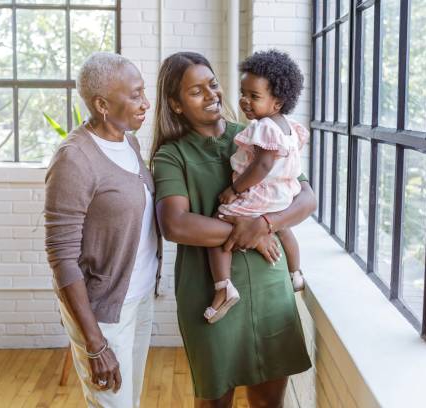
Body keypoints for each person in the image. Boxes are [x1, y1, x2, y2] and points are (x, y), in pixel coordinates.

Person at [150, 51, 315, 407]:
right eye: (196, 91)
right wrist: (250, 235)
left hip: (271, 289)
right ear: (175, 105)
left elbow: (306, 199)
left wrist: (266, 224)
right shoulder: (170, 156)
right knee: (215, 401)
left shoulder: (257, 136)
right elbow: (175, 224)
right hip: (211, 292)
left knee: (270, 400)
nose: (212, 95)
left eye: (213, 84)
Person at [44, 52, 161, 408]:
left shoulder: (129, 142)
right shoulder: (74, 159)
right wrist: (94, 343)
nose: (145, 103)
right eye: (135, 94)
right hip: (103, 313)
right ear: (102, 104)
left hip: (139, 299)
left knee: (131, 400)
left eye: (144, 92)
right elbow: (62, 258)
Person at [204, 49, 309, 324]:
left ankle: (223, 286)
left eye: (254, 96)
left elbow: (261, 166)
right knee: (283, 229)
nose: (245, 100)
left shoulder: (264, 127)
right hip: (283, 194)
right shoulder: (290, 126)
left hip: (261, 194)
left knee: (220, 218)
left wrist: (235, 189)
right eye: (243, 92)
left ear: (276, 103)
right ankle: (295, 273)